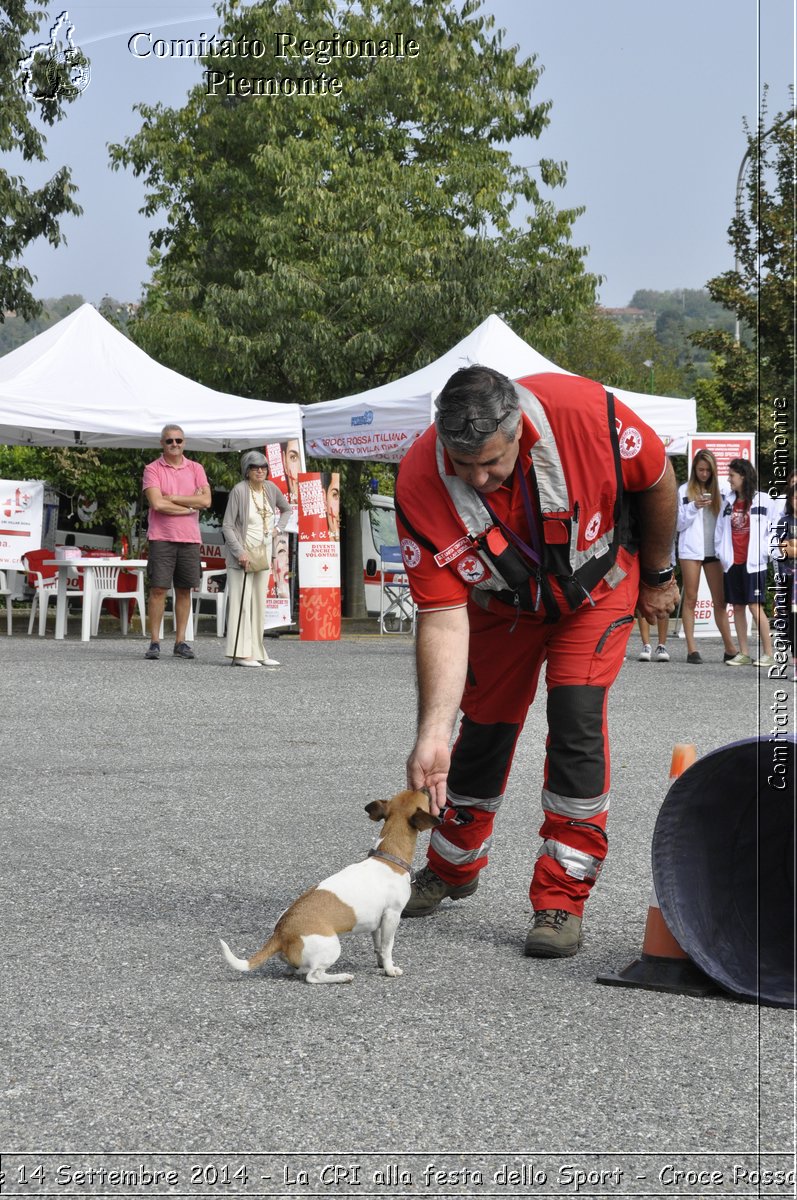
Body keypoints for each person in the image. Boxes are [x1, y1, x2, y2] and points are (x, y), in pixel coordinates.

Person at [395, 366, 678, 958]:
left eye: (491, 462)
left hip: (594, 592)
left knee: (575, 724)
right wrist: (431, 731)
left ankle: (561, 898)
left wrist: (657, 575)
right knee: (481, 732)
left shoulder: (586, 413)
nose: (477, 478)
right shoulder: (420, 480)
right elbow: (443, 618)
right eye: (462, 463)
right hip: (504, 605)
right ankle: (452, 866)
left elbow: (656, 479)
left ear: (519, 428)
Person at [142, 424, 210, 660]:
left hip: (189, 539)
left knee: (184, 590)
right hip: (162, 537)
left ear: (185, 442)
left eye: (178, 441)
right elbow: (157, 504)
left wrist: (175, 499)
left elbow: (207, 500)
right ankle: (155, 641)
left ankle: (180, 642)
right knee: (158, 589)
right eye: (169, 441)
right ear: (162, 443)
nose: (174, 445)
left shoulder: (196, 468)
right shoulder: (152, 469)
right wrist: (189, 507)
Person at [222, 451, 291, 668]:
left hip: (263, 554)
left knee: (259, 605)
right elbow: (228, 525)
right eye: (255, 467)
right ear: (247, 470)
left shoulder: (271, 488)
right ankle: (239, 653)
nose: (260, 470)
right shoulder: (239, 491)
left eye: (263, 467)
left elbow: (287, 509)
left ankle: (258, 651)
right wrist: (239, 552)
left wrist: (278, 529)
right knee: (242, 604)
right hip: (243, 555)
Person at [676, 449, 738, 665]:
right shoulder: (684, 490)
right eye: (700, 470)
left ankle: (730, 648)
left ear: (713, 471)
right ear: (694, 469)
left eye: (707, 470)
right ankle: (692, 649)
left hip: (714, 549)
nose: (703, 474)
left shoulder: (722, 490)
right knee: (691, 598)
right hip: (691, 550)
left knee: (720, 601)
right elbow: (678, 524)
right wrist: (694, 506)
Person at [716, 458, 774, 667]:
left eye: (732, 475)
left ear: (743, 476)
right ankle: (744, 652)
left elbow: (775, 528)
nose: (729, 479)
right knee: (738, 607)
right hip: (733, 562)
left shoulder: (764, 500)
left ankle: (768, 653)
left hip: (754, 563)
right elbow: (719, 531)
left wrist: (766, 550)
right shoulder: (728, 502)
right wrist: (722, 555)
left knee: (754, 607)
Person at [771, 469, 797, 682]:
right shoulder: (784, 521)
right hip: (789, 579)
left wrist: (792, 545)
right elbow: (783, 550)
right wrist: (790, 547)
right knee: (791, 621)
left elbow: (791, 547)